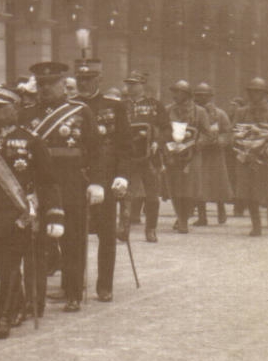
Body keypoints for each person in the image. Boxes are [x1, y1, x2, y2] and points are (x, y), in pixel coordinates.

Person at [24, 61, 106, 312]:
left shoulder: (81, 112)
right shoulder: (26, 114)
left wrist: (96, 182)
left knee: (73, 239)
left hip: (71, 182)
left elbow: (96, 150)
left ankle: (72, 292)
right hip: (39, 184)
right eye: (42, 84)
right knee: (35, 240)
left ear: (63, 84)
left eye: (52, 83)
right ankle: (34, 299)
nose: (46, 88)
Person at [0, 84, 57, 335]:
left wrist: (54, 213)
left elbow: (48, 180)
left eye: (1, 108)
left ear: (15, 109)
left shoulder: (31, 141)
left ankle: (3, 317)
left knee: (10, 261)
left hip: (18, 212)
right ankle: (19, 302)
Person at [73, 53, 131, 302]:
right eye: (80, 78)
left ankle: (104, 285)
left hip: (106, 176)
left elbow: (124, 145)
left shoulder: (114, 106)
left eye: (89, 78)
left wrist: (122, 176)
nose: (83, 83)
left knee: (106, 233)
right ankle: (72, 284)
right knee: (74, 232)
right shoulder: (69, 107)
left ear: (99, 79)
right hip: (76, 176)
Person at [120, 69, 170, 243]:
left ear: (142, 85)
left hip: (150, 155)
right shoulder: (121, 105)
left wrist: (158, 141)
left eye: (134, 84)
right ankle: (123, 227)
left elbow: (166, 128)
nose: (131, 87)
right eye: (129, 84)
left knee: (152, 193)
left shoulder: (155, 105)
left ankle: (151, 229)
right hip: (127, 154)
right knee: (125, 191)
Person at [162, 80, 211, 234]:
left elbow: (207, 133)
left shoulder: (199, 112)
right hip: (173, 154)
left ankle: (184, 218)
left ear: (186, 94)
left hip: (192, 155)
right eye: (174, 92)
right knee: (175, 189)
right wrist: (166, 147)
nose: (174, 95)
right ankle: (181, 217)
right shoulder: (168, 110)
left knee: (190, 189)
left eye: (178, 92)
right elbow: (162, 130)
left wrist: (197, 144)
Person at [231, 78, 268, 235]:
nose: (254, 95)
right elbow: (236, 133)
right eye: (252, 92)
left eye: (258, 92)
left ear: (264, 94)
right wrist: (245, 151)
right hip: (247, 156)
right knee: (250, 192)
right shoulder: (241, 112)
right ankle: (256, 225)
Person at [192, 82, 233, 226]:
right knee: (199, 184)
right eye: (198, 96)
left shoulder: (220, 114)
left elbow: (227, 132)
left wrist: (219, 141)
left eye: (204, 96)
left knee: (219, 183)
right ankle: (202, 216)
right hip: (199, 153)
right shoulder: (193, 112)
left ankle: (221, 210)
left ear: (210, 96)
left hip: (215, 154)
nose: (201, 99)